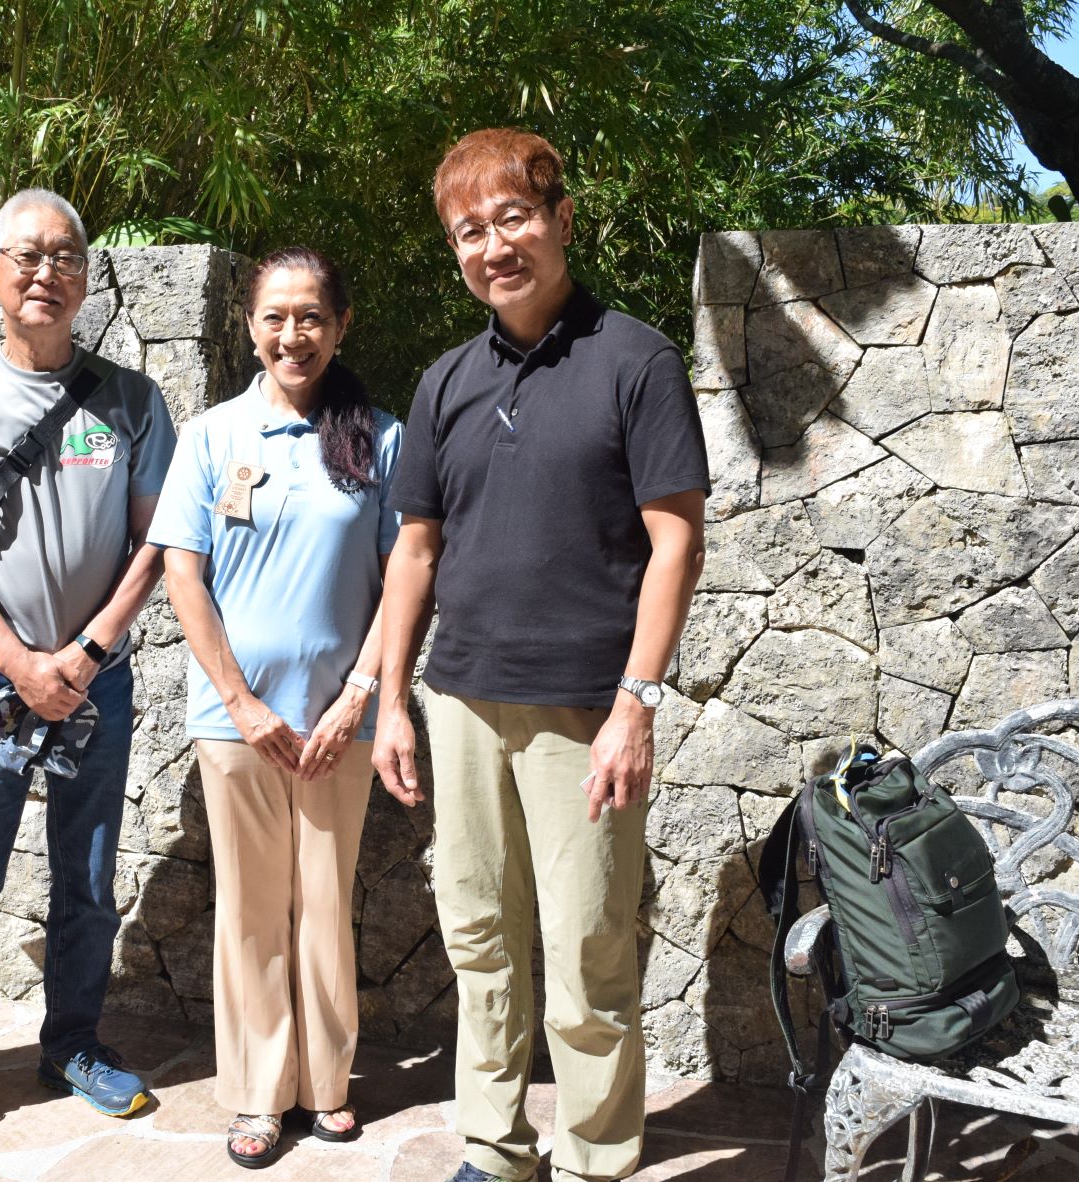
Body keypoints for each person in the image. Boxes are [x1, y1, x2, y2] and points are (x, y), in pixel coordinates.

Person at [372, 129, 708, 1182]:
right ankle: (495, 1150)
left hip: (583, 716)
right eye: (471, 230)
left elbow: (676, 539)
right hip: (463, 704)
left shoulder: (637, 359)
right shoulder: (445, 382)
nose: (494, 244)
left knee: (590, 957)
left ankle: (597, 1160)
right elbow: (414, 551)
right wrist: (391, 700)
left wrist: (636, 703)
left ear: (562, 220)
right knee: (478, 944)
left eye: (514, 217)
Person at [0, 188, 176, 1151]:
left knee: (88, 880)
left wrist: (87, 653)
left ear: (87, 275)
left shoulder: (133, 401)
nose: (43, 272)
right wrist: (21, 663)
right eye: (24, 255)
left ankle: (72, 1044)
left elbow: (155, 544)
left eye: (63, 256)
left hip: (97, 678)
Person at [149, 247, 402, 1168]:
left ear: (338, 327)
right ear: (249, 329)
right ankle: (258, 1093)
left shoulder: (380, 437)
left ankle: (326, 1082)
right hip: (237, 725)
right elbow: (183, 572)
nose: (292, 334)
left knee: (325, 904)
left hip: (340, 723)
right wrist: (240, 701)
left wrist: (359, 697)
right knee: (251, 910)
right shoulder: (212, 436)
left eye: (310, 317)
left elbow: (403, 585)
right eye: (274, 317)